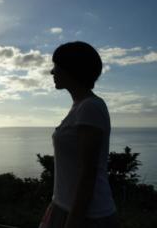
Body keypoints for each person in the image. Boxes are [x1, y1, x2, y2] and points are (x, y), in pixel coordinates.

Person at [39, 41, 120, 228]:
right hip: (64, 206)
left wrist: (73, 222)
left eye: (56, 66)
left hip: (88, 216)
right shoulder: (80, 107)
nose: (52, 72)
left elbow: (88, 173)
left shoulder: (90, 107)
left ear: (71, 69)